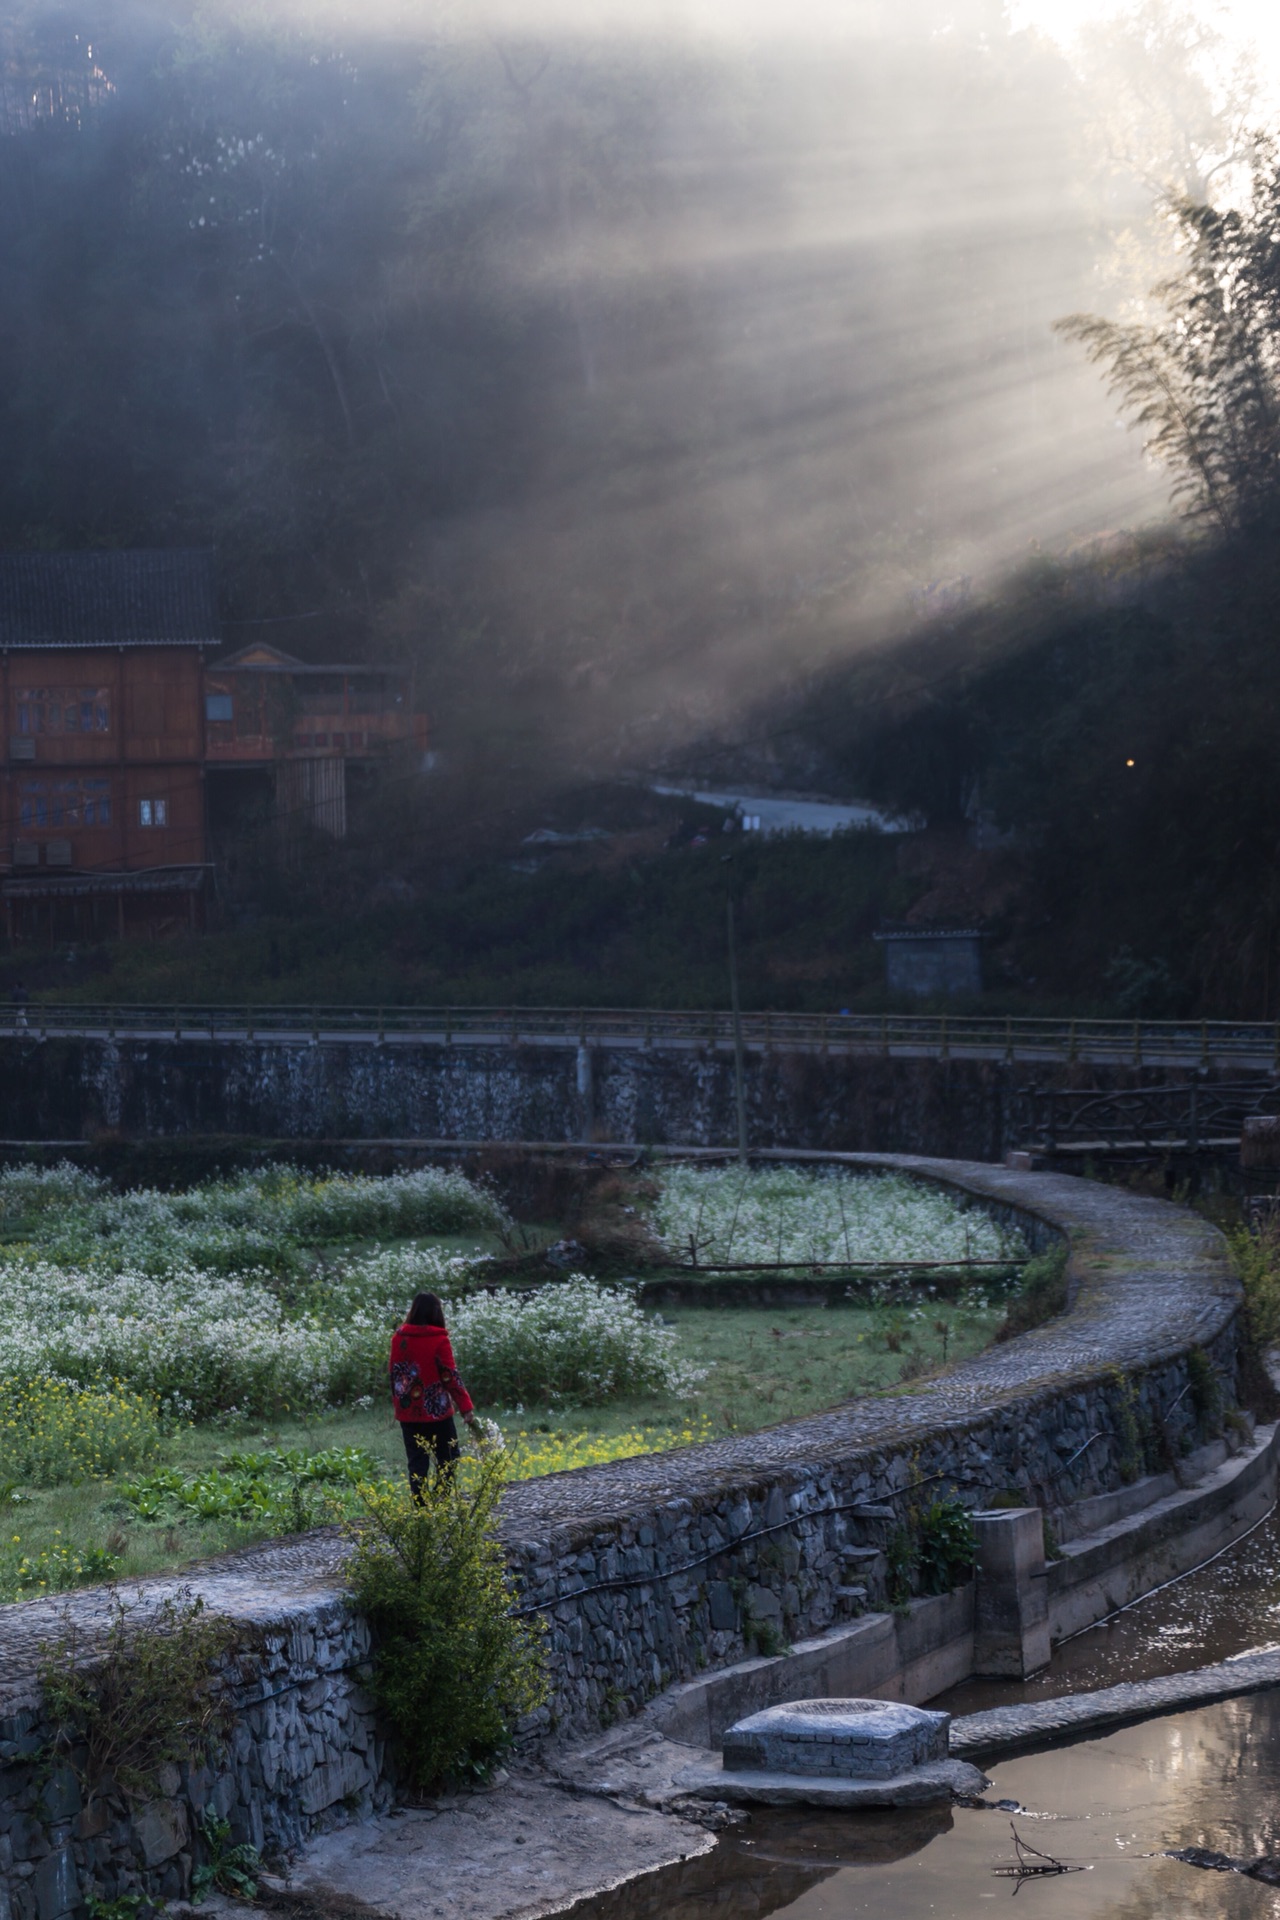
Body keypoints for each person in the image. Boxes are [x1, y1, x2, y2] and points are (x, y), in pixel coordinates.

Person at [389, 1290, 479, 1500]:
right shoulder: (438, 1340)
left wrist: (402, 1407)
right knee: (448, 1457)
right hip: (437, 1413)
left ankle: (421, 1510)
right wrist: (465, 1407)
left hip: (409, 1414)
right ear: (436, 1313)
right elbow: (450, 1376)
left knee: (417, 1462)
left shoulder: (398, 1339)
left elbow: (395, 1376)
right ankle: (441, 1502)